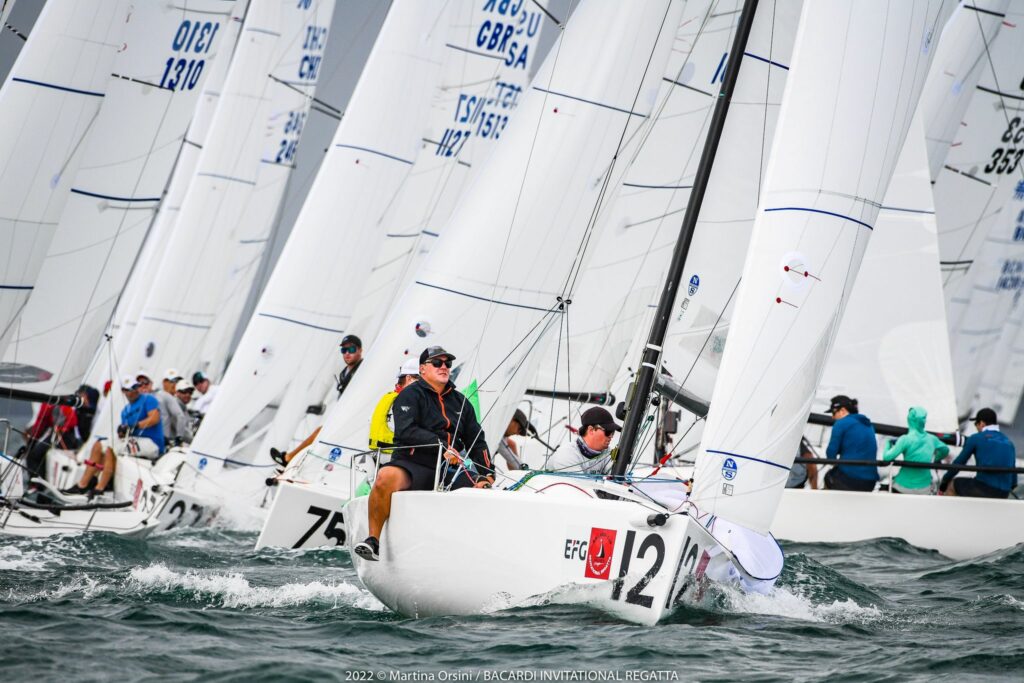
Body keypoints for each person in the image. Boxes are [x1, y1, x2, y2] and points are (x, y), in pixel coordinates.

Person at [354, 346, 492, 562]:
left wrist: (486, 473)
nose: (444, 367)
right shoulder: (409, 395)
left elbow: (476, 440)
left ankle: (477, 555)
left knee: (483, 489)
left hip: (447, 468)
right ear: (423, 369)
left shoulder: (460, 402)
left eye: (448, 363)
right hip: (412, 463)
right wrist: (442, 447)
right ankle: (373, 540)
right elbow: (406, 431)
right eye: (437, 363)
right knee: (384, 478)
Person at [62, 376, 164, 497]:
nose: (134, 390)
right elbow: (125, 434)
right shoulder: (125, 411)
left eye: (135, 387)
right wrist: (121, 431)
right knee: (98, 444)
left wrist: (133, 426)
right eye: (130, 389)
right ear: (124, 391)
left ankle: (100, 488)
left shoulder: (148, 399)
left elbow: (154, 418)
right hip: (136, 441)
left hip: (152, 443)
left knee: (112, 447)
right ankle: (83, 485)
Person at [939, 408, 1018, 498]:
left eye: (976, 424)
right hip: (1004, 493)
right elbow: (1013, 481)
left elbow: (958, 463)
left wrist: (944, 481)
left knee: (952, 485)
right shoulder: (1009, 443)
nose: (976, 428)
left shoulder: (976, 438)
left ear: (982, 424)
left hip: (984, 488)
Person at [880, 406, 949, 494]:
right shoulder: (932, 439)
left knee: (884, 488)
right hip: (925, 488)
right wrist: (936, 459)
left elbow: (887, 458)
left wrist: (888, 444)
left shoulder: (905, 439)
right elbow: (945, 450)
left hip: (902, 487)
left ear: (909, 420)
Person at [21, 401, 79, 496]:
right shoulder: (61, 402)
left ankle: (37, 485)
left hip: (62, 435)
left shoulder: (49, 403)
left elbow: (42, 422)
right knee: (39, 453)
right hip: (66, 435)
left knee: (33, 455)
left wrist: (32, 440)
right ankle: (40, 483)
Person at [823, 395, 879, 492]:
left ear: (842, 410)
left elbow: (830, 454)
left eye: (833, 412)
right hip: (870, 482)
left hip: (850, 479)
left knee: (828, 477)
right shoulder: (869, 424)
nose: (832, 417)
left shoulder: (841, 423)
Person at [544, 406, 621, 474]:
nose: (611, 436)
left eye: (613, 432)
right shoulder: (567, 455)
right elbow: (580, 487)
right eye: (608, 432)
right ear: (591, 430)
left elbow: (618, 478)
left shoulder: (607, 453)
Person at [368, 358, 420, 452]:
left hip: (378, 454)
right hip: (395, 456)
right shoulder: (404, 401)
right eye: (421, 379)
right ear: (409, 379)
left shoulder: (389, 397)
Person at [154, 368, 190, 446]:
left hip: (157, 440)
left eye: (177, 382)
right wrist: (180, 437)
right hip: (165, 442)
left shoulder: (156, 396)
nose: (175, 384)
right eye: (172, 381)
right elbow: (180, 417)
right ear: (164, 382)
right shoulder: (167, 396)